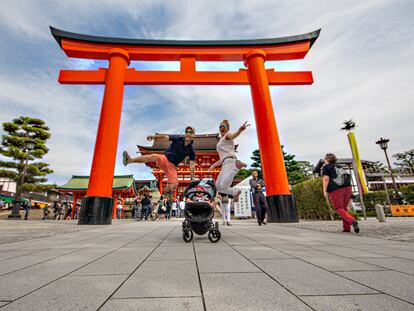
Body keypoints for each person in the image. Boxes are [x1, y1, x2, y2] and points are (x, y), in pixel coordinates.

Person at [123, 127, 196, 198]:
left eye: (191, 132)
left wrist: (192, 177)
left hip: (172, 166)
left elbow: (192, 165)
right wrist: (153, 137)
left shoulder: (191, 150)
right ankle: (130, 160)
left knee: (174, 185)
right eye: (187, 132)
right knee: (153, 156)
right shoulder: (179, 138)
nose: (188, 134)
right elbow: (165, 137)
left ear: (193, 135)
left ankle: (165, 195)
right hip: (165, 159)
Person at [210, 120, 249, 202]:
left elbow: (233, 135)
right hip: (225, 162)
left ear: (227, 129)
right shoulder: (220, 141)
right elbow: (221, 159)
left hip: (230, 161)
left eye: (223, 126)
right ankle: (235, 192)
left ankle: (236, 167)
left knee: (224, 183)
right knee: (218, 186)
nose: (221, 128)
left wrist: (240, 130)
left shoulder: (227, 136)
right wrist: (213, 165)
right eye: (220, 126)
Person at [322, 153, 359, 233]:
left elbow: (326, 179)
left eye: (325, 159)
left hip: (336, 189)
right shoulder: (339, 166)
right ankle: (346, 228)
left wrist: (325, 191)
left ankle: (352, 221)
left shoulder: (326, 167)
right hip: (348, 187)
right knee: (344, 208)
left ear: (327, 160)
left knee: (338, 208)